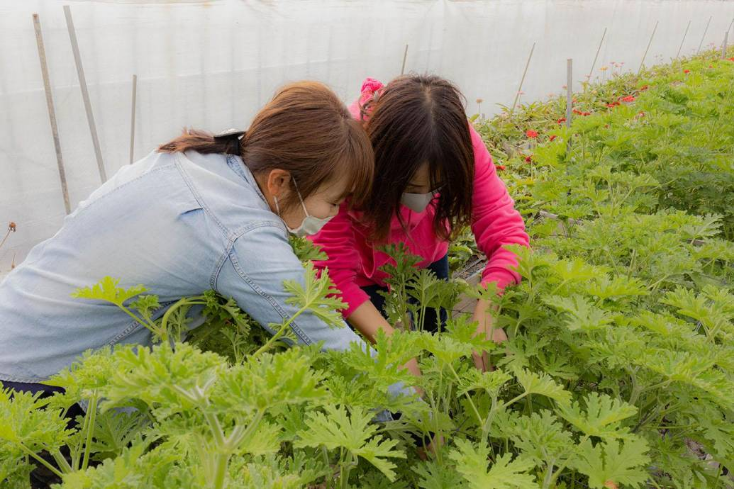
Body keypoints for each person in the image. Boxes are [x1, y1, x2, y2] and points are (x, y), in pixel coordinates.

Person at [0, 81, 376, 395]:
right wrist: (412, 399)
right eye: (333, 201)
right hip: (39, 370)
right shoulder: (240, 232)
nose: (333, 214)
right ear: (279, 180)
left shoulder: (202, 159)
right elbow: (323, 338)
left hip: (17, 315)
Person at [310, 75, 530, 372]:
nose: (423, 200)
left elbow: (506, 231)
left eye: (437, 186)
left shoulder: (457, 145)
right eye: (411, 188)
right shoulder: (348, 152)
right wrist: (394, 346)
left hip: (429, 252)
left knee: (437, 339)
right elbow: (331, 270)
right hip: (361, 271)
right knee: (382, 365)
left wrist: (488, 308)